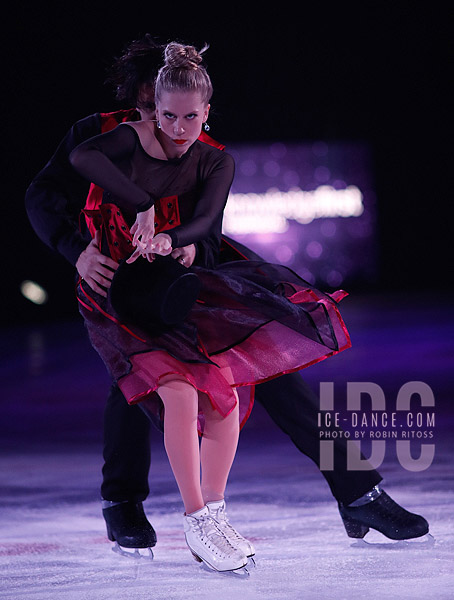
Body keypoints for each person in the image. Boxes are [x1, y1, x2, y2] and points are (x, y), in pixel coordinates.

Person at [25, 34, 429, 561]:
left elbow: (206, 225)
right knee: (136, 379)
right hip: (120, 276)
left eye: (183, 116)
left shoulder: (205, 151)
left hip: (193, 269)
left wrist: (193, 250)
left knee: (277, 365)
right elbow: (43, 195)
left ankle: (358, 492)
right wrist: (76, 250)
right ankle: (123, 502)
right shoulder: (102, 136)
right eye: (156, 111)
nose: (171, 130)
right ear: (142, 102)